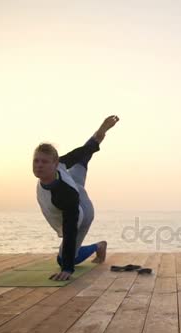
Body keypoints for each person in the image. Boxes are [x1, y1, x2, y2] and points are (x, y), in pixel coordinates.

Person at [33, 115, 119, 281]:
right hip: (74, 183)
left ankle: (98, 246)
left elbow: (70, 228)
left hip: (82, 213)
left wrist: (67, 268)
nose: (39, 165)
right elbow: (87, 150)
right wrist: (103, 129)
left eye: (44, 161)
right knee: (82, 159)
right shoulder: (62, 165)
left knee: (63, 258)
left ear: (54, 163)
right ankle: (86, 250)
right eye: (36, 161)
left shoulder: (64, 195)